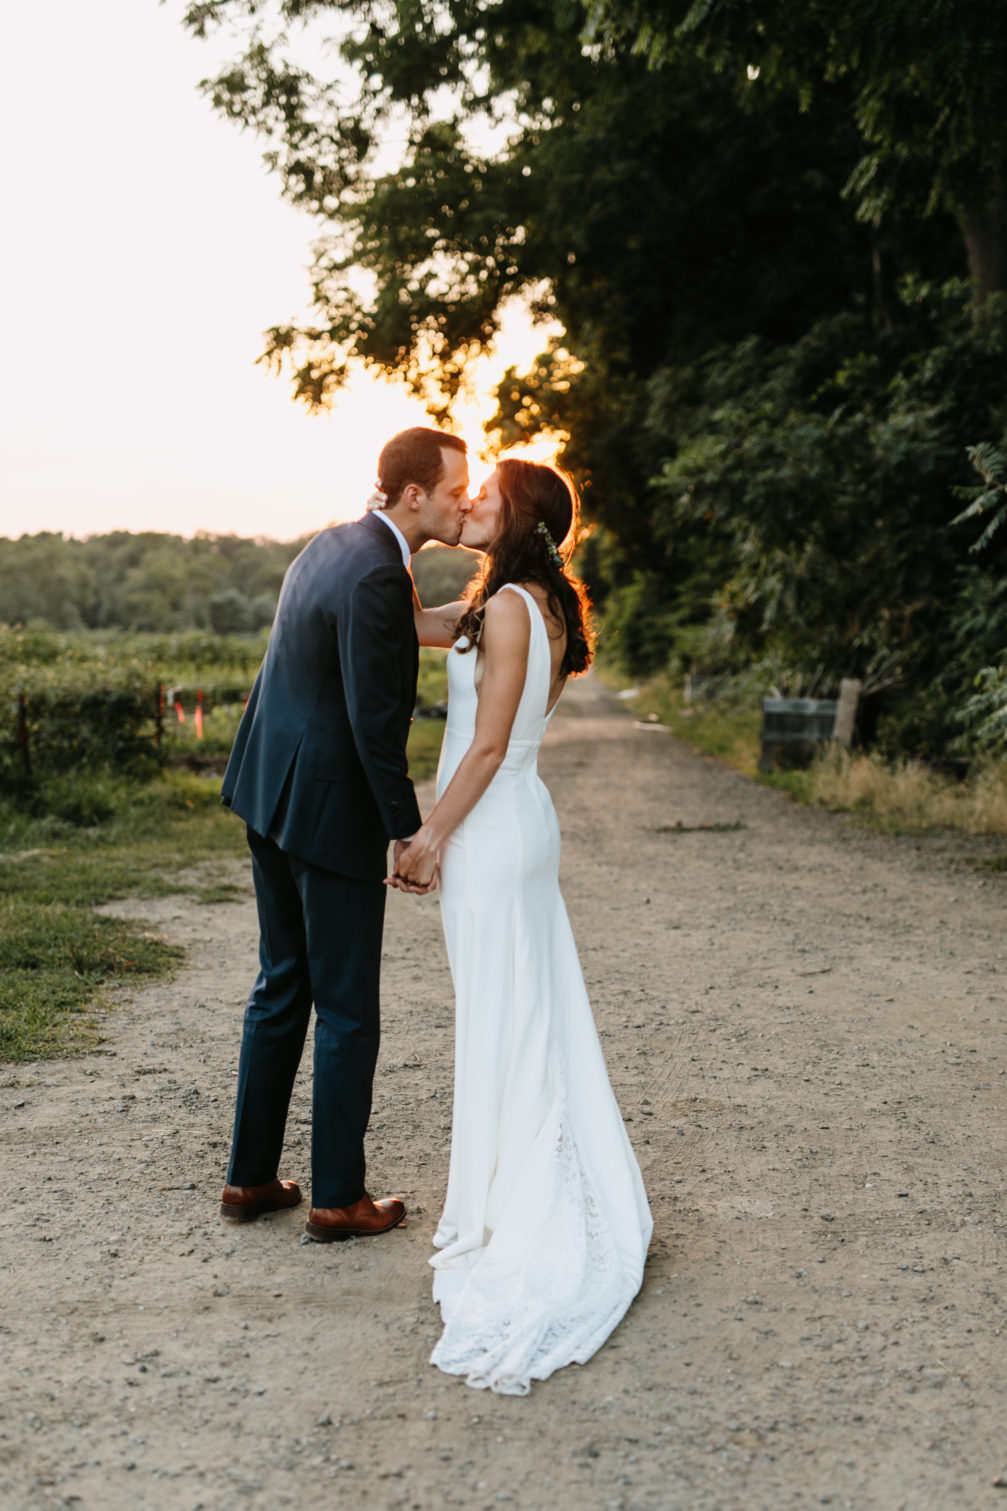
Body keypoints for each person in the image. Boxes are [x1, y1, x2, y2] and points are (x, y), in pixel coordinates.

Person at [388, 458, 653, 1394]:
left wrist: (427, 836)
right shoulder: (523, 603)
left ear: (517, 515)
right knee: (520, 1008)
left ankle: (517, 1202)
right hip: (518, 823)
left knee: (500, 1013)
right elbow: (416, 624)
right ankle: (521, 1174)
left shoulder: (504, 609)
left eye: (483, 499)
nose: (468, 504)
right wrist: (383, 549)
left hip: (491, 831)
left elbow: (491, 743)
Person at [218, 426, 468, 1241]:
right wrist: (407, 830)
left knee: (281, 985)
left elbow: (340, 651)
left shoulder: (335, 547)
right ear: (412, 496)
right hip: (328, 814)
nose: (463, 502)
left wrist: (457, 618)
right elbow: (373, 722)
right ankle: (338, 1198)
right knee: (349, 1006)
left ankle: (251, 1179)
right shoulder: (374, 573)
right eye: (455, 490)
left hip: (268, 792)